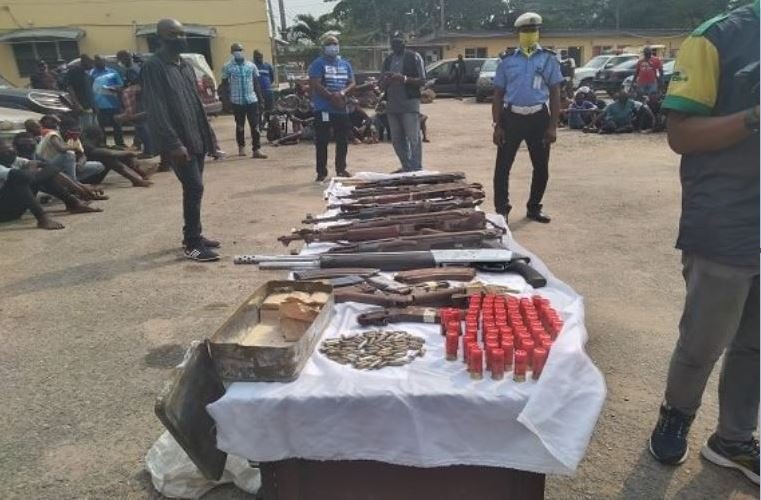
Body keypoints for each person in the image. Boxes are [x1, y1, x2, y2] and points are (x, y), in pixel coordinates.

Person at [648, 1, 759, 484]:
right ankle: (677, 414)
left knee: (756, 343)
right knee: (705, 337)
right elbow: (681, 135)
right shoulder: (717, 37)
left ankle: (733, 440)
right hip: (726, 215)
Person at [141, 18, 220, 261]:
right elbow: (157, 108)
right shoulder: (154, 67)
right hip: (179, 141)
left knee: (195, 189)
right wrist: (173, 143)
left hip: (196, 137)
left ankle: (194, 234)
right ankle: (193, 244)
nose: (181, 38)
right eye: (174, 34)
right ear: (161, 37)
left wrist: (210, 137)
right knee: (194, 186)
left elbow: (196, 103)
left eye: (183, 34)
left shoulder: (185, 65)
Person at [491, 12, 562, 224]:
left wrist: (553, 126)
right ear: (518, 33)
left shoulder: (548, 59)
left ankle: (534, 207)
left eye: (533, 30)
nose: (529, 34)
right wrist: (497, 125)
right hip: (511, 117)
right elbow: (498, 94)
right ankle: (501, 209)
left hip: (538, 118)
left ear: (538, 32)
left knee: (541, 167)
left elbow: (555, 92)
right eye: (525, 31)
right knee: (502, 167)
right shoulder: (507, 61)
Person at [0, 137, 101, 228]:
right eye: (5, 151)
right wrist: (34, 168)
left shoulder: (13, 159)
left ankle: (73, 203)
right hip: (3, 213)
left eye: (11, 149)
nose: (11, 152)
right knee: (21, 180)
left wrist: (79, 189)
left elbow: (49, 167)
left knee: (43, 176)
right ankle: (42, 219)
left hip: (13, 208)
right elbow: (24, 176)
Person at [308, 35, 354, 182]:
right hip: (324, 109)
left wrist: (342, 93)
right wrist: (330, 97)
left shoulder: (345, 64)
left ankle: (341, 169)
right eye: (329, 44)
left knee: (342, 140)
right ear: (324, 47)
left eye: (335, 44)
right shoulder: (318, 64)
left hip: (340, 108)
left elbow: (352, 82)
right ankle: (321, 172)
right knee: (322, 141)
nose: (333, 46)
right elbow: (315, 83)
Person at [380, 32, 427, 173]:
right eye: (393, 45)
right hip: (392, 104)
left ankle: (416, 167)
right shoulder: (388, 60)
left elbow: (423, 80)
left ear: (404, 44)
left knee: (413, 138)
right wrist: (386, 80)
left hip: (409, 103)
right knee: (396, 139)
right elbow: (381, 83)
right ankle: (406, 166)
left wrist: (404, 79)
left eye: (399, 44)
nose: (396, 47)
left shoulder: (414, 57)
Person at [222, 43, 267, 159]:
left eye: (240, 49)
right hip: (237, 101)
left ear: (243, 51)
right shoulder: (227, 67)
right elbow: (224, 85)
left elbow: (256, 83)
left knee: (255, 126)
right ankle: (241, 147)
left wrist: (261, 99)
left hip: (251, 99)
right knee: (240, 126)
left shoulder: (251, 66)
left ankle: (256, 149)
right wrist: (226, 102)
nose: (238, 51)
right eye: (236, 50)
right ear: (231, 52)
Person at [90, 55, 126, 147]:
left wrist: (113, 88)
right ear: (95, 63)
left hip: (113, 103)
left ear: (104, 62)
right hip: (99, 104)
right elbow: (89, 89)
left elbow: (121, 86)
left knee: (117, 126)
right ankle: (103, 144)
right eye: (98, 61)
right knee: (101, 127)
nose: (100, 63)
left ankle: (119, 144)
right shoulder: (91, 74)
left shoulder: (112, 72)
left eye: (102, 61)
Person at [64, 54, 98, 129]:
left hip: (91, 105)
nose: (93, 65)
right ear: (85, 62)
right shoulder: (75, 72)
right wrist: (77, 104)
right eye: (91, 62)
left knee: (93, 128)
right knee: (85, 128)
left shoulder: (87, 73)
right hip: (82, 105)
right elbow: (70, 88)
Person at [253, 50, 275, 118]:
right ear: (254, 58)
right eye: (257, 57)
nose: (259, 59)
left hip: (268, 91)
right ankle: (259, 125)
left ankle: (267, 121)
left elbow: (272, 78)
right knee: (258, 111)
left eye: (260, 57)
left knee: (269, 110)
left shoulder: (267, 66)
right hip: (257, 93)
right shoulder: (253, 67)